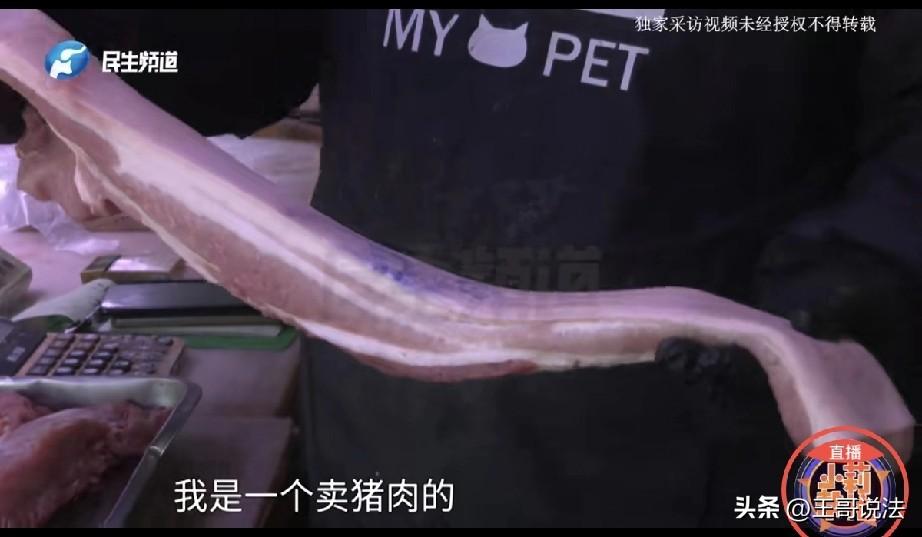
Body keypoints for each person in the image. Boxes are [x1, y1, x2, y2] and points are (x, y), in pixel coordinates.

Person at [2, 9, 920, 528]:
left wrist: (854, 277)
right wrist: (76, 55)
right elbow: (245, 49)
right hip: (385, 424)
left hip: (686, 433)